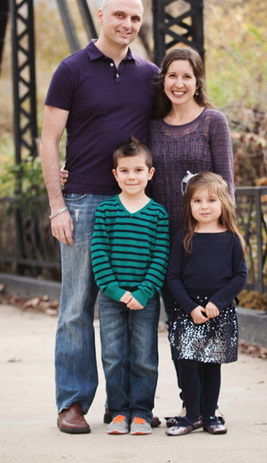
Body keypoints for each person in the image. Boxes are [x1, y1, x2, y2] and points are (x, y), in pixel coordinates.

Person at [41, 0, 159, 434]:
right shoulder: (71, 70)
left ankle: (125, 405)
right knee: (76, 306)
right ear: (101, 15)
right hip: (83, 200)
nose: (127, 24)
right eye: (119, 15)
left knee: (129, 307)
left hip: (134, 206)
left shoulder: (149, 76)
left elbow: (170, 128)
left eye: (135, 17)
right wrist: (57, 205)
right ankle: (72, 403)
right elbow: (49, 140)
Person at [148, 46, 236, 425]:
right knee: (181, 328)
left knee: (209, 329)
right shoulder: (151, 125)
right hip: (167, 244)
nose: (179, 83)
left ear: (198, 80)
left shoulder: (213, 122)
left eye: (187, 76)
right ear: (163, 80)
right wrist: (71, 168)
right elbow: (130, 166)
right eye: (172, 76)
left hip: (208, 243)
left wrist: (227, 236)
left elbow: (227, 184)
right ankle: (191, 407)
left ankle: (209, 408)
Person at [91, 136, 169, 435]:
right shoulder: (106, 211)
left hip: (145, 299)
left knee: (144, 357)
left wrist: (143, 292)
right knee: (113, 357)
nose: (131, 176)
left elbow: (160, 256)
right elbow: (98, 253)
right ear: (115, 174)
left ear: (150, 173)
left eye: (138, 170)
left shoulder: (157, 213)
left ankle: (141, 412)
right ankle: (119, 412)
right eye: (124, 171)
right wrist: (116, 291)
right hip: (112, 298)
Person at [164, 172, 248, 436]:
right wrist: (190, 307)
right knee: (187, 362)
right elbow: (173, 277)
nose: (204, 206)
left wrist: (218, 302)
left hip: (217, 311)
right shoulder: (183, 239)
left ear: (223, 202)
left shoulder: (232, 240)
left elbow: (240, 276)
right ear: (189, 205)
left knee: (212, 364)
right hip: (188, 311)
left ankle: (211, 414)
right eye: (197, 201)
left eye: (211, 200)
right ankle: (190, 416)